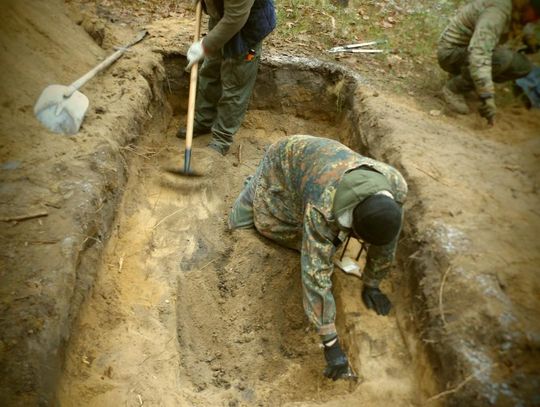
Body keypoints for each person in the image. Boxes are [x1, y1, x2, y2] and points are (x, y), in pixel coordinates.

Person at [228, 135, 408, 380]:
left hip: (320, 167)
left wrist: (373, 283)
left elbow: (387, 240)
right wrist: (330, 342)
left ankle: (276, 195)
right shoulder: (321, 209)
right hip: (285, 159)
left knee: (318, 239)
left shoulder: (395, 186)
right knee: (240, 224)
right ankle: (258, 186)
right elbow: (315, 274)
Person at [178, 0, 276, 155]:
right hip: (222, 16)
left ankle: (221, 139)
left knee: (235, 82)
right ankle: (203, 121)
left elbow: (235, 18)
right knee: (210, 70)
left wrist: (205, 45)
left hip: (246, 26)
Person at [437, 0, 540, 124]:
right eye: (536, 15)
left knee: (523, 66)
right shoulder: (497, 13)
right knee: (502, 58)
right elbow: (479, 55)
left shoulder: (517, 10)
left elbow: (524, 27)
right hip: (450, 54)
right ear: (527, 5)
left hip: (468, 52)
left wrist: (531, 41)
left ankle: (467, 81)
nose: (535, 21)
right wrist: (487, 95)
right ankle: (453, 89)